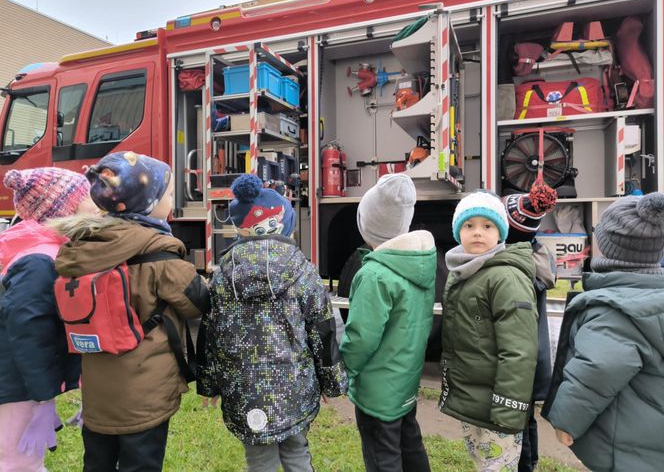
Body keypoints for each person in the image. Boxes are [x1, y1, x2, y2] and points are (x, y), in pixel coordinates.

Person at [51, 151, 210, 472]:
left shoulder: (83, 247)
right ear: (147, 203)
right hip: (144, 394)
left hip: (98, 394)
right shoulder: (159, 255)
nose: (170, 201)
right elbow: (197, 303)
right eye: (165, 194)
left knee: (97, 463)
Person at [197, 174, 347, 472]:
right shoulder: (301, 269)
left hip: (245, 390)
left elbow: (210, 332)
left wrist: (209, 384)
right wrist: (331, 383)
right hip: (295, 388)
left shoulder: (223, 272)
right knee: (297, 452)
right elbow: (323, 330)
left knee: (259, 460)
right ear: (284, 225)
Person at [542, 193, 664, 471]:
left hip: (631, 447)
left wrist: (565, 421)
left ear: (605, 245)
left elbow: (598, 369)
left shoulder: (614, 311)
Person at [0, 167, 98, 471]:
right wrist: (43, 399)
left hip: (17, 381)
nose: (97, 204)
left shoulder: (37, 249)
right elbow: (29, 333)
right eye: (88, 197)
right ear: (64, 208)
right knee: (19, 462)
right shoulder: (40, 261)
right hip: (15, 385)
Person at [340, 173, 436, 472]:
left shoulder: (374, 275)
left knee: (383, 458)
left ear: (366, 222)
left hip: (377, 391)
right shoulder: (421, 262)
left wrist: (345, 369)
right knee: (409, 443)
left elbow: (361, 337)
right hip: (404, 382)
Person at [440, 190, 538, 471]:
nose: (477, 233)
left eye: (487, 225)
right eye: (469, 226)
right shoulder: (466, 271)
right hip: (477, 403)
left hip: (498, 407)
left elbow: (520, 350)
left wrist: (508, 408)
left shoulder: (505, 277)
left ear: (501, 232)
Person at [502, 183, 558, 472]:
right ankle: (533, 462)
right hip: (536, 358)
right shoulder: (540, 257)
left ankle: (525, 465)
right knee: (527, 417)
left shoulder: (514, 269)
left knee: (517, 421)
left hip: (520, 361)